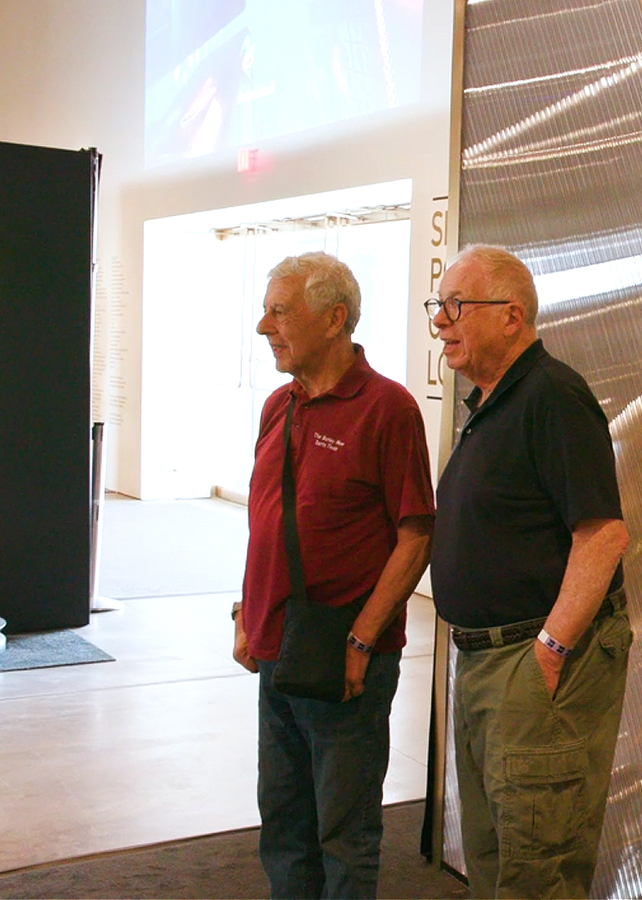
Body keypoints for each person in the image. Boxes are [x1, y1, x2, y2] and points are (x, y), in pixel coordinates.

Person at [428, 245, 631, 899]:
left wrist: (549, 651)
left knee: (535, 866)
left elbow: (602, 535)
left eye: (456, 305)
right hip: (487, 661)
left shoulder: (553, 395)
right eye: (439, 305)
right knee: (493, 858)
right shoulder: (492, 402)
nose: (441, 320)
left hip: (529, 662)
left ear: (511, 316)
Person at [233, 252, 436, 899]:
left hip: (347, 661)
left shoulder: (388, 408)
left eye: (279, 310)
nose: (264, 325)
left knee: (344, 834)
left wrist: (362, 638)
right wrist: (246, 611)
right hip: (276, 650)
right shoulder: (277, 406)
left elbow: (416, 534)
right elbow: (267, 520)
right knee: (285, 823)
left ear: (334, 318)